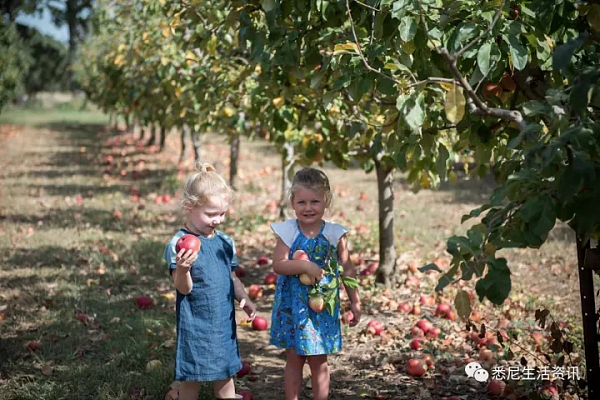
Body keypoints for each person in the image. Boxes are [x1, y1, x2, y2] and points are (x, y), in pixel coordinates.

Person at [163, 162, 256, 400]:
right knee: (191, 375)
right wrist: (183, 269)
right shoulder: (179, 243)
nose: (218, 220)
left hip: (223, 321)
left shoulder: (225, 242)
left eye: (222, 213)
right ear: (189, 207)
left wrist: (243, 297)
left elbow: (232, 276)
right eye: (211, 214)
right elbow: (184, 288)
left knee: (225, 371)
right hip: (195, 322)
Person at [269, 167, 361, 400]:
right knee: (294, 358)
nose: (308, 208)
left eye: (315, 202)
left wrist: (355, 301)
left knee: (320, 360)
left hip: (321, 307)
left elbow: (347, 268)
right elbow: (278, 265)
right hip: (293, 306)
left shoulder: (334, 233)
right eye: (301, 202)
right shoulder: (288, 231)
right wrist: (304, 266)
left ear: (326, 201)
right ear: (292, 202)